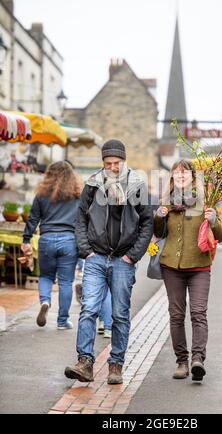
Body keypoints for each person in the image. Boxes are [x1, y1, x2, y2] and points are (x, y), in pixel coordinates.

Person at [65, 139, 153, 384]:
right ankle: (85, 362)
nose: (113, 167)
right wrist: (86, 250)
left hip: (123, 260)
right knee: (89, 308)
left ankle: (116, 365)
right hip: (96, 257)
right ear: (102, 163)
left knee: (119, 314)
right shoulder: (92, 185)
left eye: (117, 163)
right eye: (108, 163)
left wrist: (132, 256)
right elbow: (80, 219)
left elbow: (147, 223)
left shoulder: (137, 186)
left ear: (124, 161)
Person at [153, 159, 222, 382]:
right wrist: (158, 217)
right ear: (173, 177)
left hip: (199, 266)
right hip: (171, 267)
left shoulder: (205, 201)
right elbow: (158, 232)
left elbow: (221, 235)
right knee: (176, 315)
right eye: (177, 173)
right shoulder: (166, 201)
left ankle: (197, 360)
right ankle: (181, 362)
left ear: (193, 177)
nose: (181, 176)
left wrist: (213, 221)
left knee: (198, 313)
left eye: (186, 173)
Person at [21, 161, 81, 329]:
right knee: (65, 282)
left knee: (46, 276)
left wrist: (26, 239)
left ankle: (45, 301)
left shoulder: (42, 194)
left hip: (46, 239)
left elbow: (33, 218)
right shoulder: (77, 194)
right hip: (69, 241)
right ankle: (62, 321)